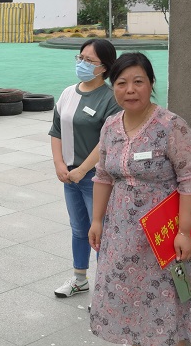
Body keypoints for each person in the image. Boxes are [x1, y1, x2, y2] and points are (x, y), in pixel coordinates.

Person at [88, 53, 191, 346]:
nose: (130, 90)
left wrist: (184, 232)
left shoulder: (171, 126)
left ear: (151, 83)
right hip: (120, 234)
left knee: (167, 302)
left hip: (162, 234)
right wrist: (97, 220)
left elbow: (190, 181)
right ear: (112, 87)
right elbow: (103, 176)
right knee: (125, 297)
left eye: (138, 81)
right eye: (121, 83)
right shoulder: (110, 126)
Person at [49, 39, 120, 298]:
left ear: (104, 67)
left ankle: (104, 286)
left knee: (99, 231)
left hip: (95, 177)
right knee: (78, 228)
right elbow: (56, 130)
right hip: (70, 176)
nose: (82, 64)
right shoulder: (68, 93)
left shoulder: (110, 99)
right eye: (80, 58)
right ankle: (80, 279)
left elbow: (107, 141)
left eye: (89, 61)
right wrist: (59, 164)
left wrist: (82, 170)